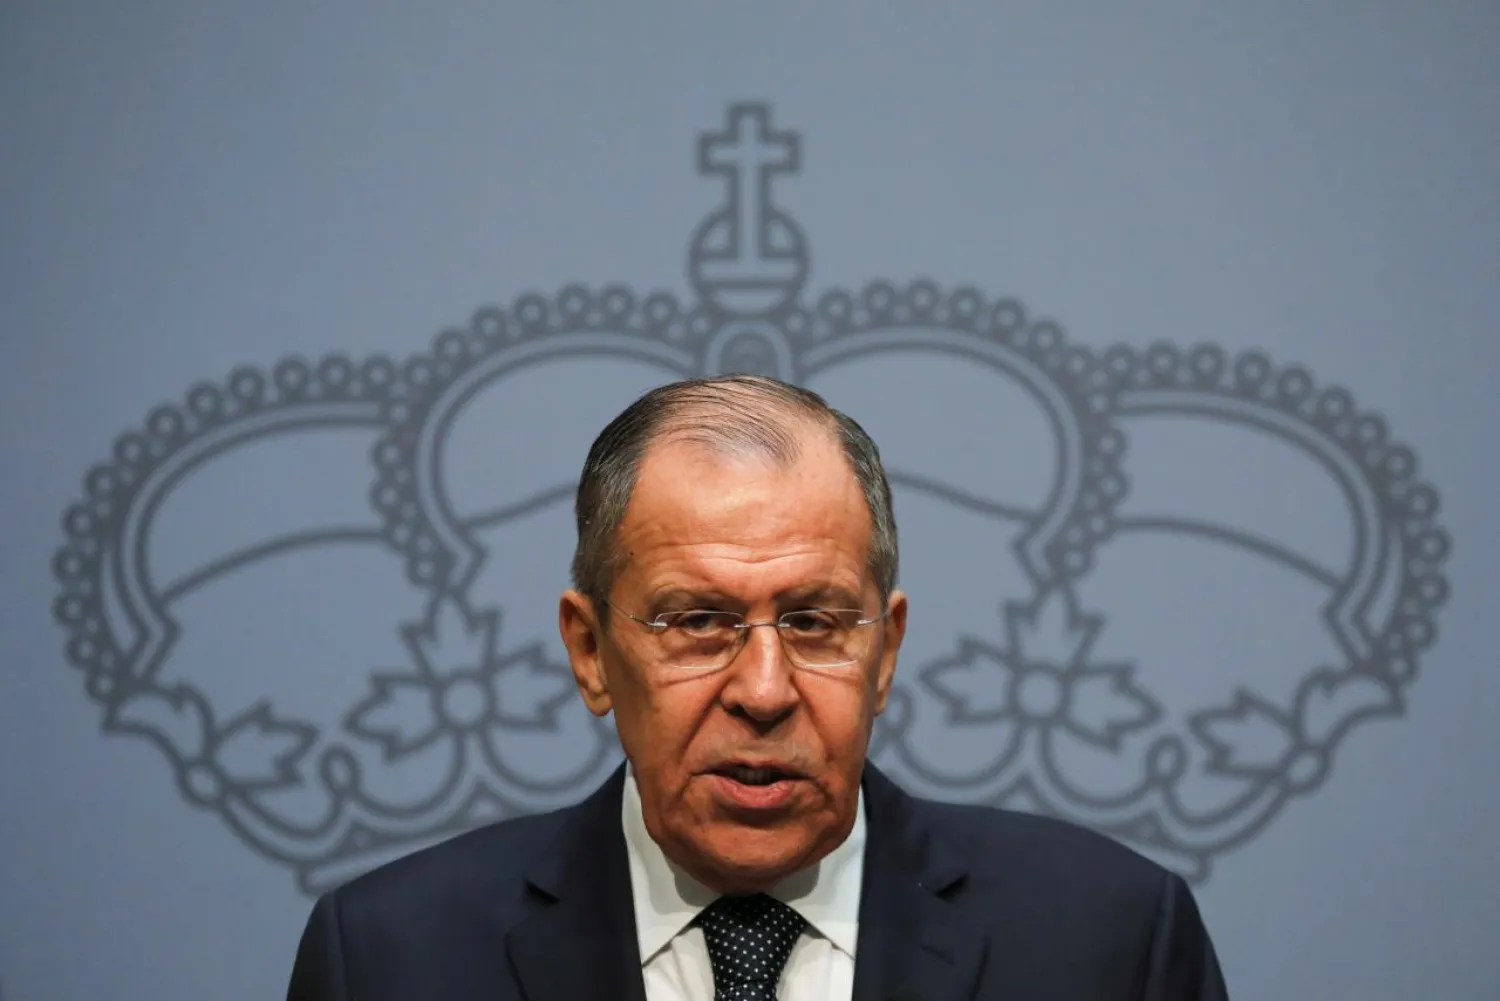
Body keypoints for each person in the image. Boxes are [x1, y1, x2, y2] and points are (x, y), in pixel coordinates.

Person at [286, 374, 1229, 1000]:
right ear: (589, 651)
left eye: (816, 621)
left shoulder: (1110, 944)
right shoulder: (386, 961)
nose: (765, 690)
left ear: (886, 651)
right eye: (697, 622)